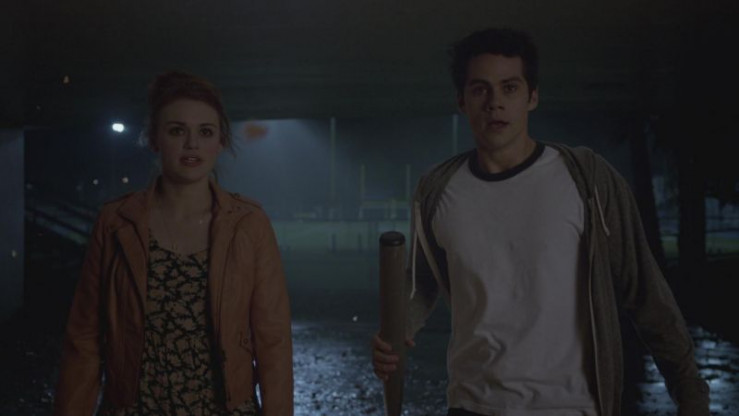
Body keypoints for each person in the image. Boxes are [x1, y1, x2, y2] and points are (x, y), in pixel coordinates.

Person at [372, 28, 710, 416]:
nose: (495, 103)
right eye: (480, 90)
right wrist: (396, 331)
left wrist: (691, 393)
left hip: (569, 406)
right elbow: (421, 283)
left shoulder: (587, 179)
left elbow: (645, 293)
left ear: (532, 96)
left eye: (509, 88)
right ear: (461, 101)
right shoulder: (437, 190)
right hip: (471, 406)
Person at [53, 71, 293, 416]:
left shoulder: (248, 224)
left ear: (221, 142)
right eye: (177, 131)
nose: (192, 144)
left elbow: (273, 341)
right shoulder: (117, 222)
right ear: (154, 139)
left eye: (205, 132)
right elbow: (85, 339)